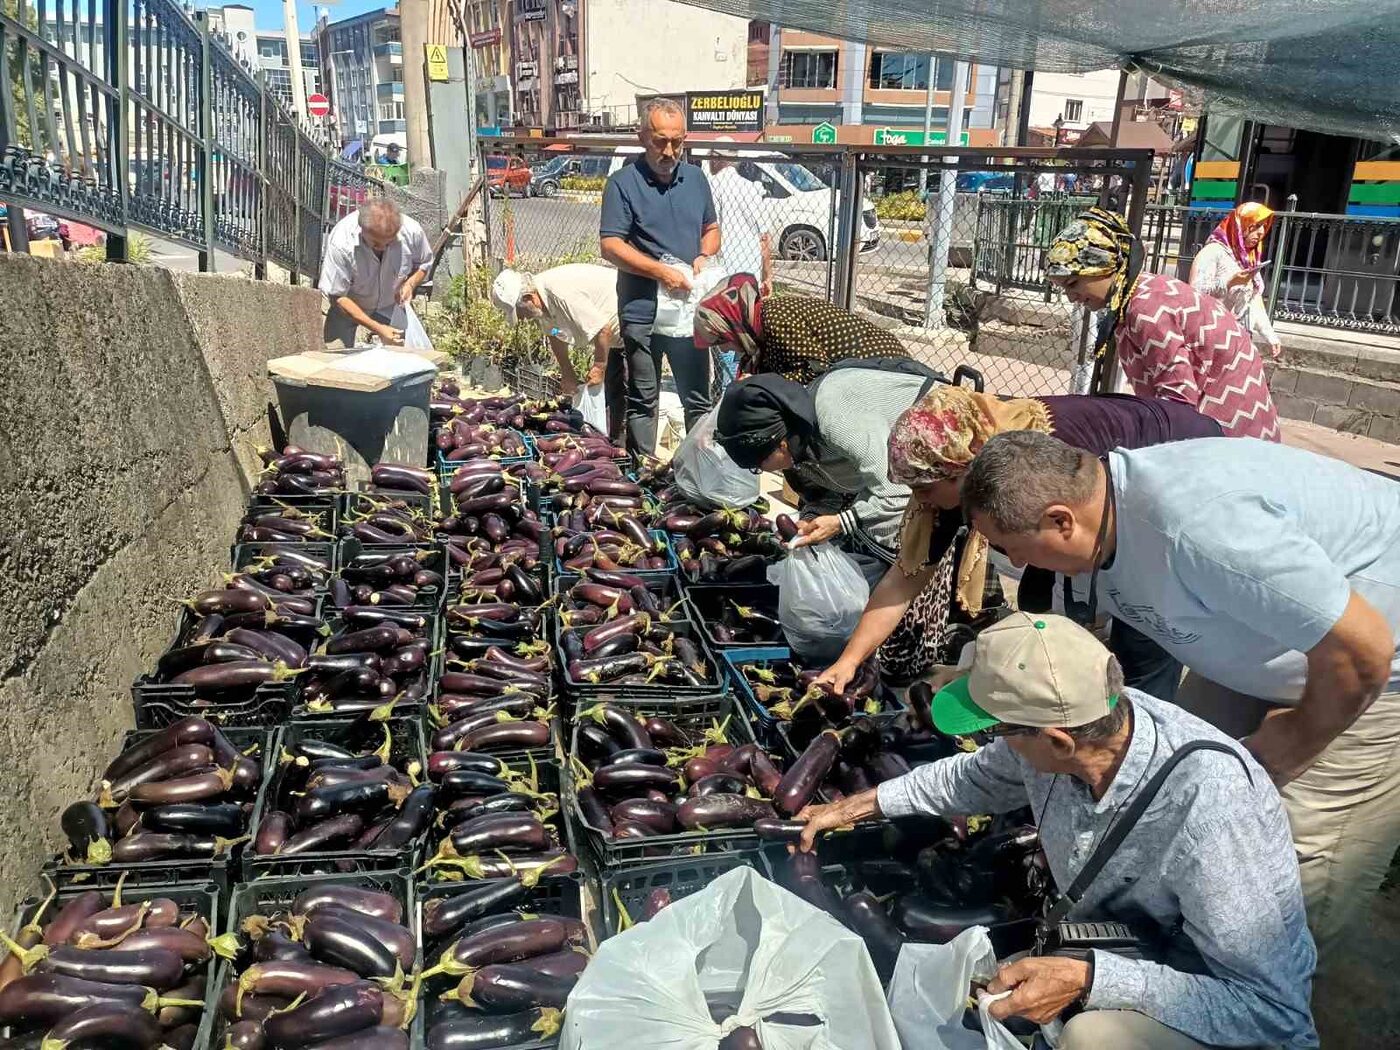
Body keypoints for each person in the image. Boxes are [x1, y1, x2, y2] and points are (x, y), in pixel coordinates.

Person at [959, 430, 1400, 972]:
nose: (1011, 560)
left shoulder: (1201, 532)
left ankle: (1267, 1002)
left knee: (1291, 870)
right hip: (1271, 646)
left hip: (1372, 671)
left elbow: (1364, 651)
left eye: (1009, 546)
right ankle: (1182, 963)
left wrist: (1293, 740)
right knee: (1168, 784)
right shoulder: (1098, 526)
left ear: (1059, 520)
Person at [797, 613, 1318, 1050]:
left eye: (997, 731)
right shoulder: (1089, 719)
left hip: (1224, 1008)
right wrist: (858, 808)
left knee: (1093, 1037)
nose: (991, 744)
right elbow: (973, 777)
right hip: (1131, 946)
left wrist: (1092, 979)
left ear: (1058, 742)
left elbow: (1270, 1010)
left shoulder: (1211, 814)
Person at [815, 386, 1221, 696]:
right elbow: (905, 579)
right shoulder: (957, 472)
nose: (918, 501)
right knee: (1042, 606)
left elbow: (1080, 554)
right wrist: (848, 662)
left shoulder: (1045, 462)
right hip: (1093, 499)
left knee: (1144, 629)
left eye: (925, 489)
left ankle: (1135, 749)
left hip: (1177, 461)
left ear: (962, 473)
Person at [1045, 207, 1280, 441]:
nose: (1071, 297)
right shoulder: (1138, 297)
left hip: (1230, 422)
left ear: (1105, 266)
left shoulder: (1147, 309)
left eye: (1074, 283)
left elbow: (1177, 402)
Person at [713, 365, 931, 586]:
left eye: (759, 466)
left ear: (780, 444)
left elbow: (896, 494)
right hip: (907, 469)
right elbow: (834, 494)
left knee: (887, 541)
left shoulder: (835, 420)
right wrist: (809, 519)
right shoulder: (801, 442)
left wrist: (840, 522)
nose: (764, 472)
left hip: (938, 450)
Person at [599, 97, 719, 455]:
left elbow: (711, 228)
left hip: (688, 312)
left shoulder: (696, 179)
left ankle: (698, 472)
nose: (669, 150)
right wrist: (660, 272)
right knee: (643, 397)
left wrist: (703, 254)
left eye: (677, 141)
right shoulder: (623, 183)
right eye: (660, 141)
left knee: (696, 398)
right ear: (642, 137)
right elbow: (611, 245)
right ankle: (643, 476)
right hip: (642, 312)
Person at [490, 264, 627, 441]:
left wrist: (599, 366)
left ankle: (631, 454)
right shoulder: (543, 309)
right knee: (609, 399)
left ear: (529, 298)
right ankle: (614, 444)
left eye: (520, 312)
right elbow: (555, 334)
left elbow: (602, 329)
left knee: (625, 396)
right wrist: (566, 370)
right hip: (612, 340)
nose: (522, 318)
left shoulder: (560, 293)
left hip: (629, 326)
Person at [694, 274, 910, 385]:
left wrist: (762, 382)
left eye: (721, 341)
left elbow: (816, 369)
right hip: (861, 376)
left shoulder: (775, 320)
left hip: (884, 370)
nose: (723, 350)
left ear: (735, 325)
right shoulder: (762, 333)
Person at [318, 199, 432, 348]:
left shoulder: (412, 232)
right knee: (335, 357)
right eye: (376, 243)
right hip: (348, 307)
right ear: (362, 229)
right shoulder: (342, 242)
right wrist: (378, 328)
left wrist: (410, 284)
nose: (383, 248)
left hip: (391, 306)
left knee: (406, 360)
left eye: (390, 242)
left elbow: (424, 264)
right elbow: (337, 296)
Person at [1189, 201, 1283, 358]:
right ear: (1241, 224)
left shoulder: (1249, 259)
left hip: (1239, 339)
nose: (1261, 232)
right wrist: (1230, 282)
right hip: (1211, 339)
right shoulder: (1213, 252)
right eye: (1256, 225)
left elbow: (1253, 300)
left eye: (1264, 227)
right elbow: (1195, 292)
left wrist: (1270, 335)